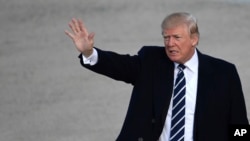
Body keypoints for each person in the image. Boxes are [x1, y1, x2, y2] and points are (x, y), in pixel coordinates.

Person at [65, 12, 249, 141]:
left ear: (194, 39)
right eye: (166, 38)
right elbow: (119, 65)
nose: (170, 44)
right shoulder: (151, 61)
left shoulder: (224, 73)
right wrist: (90, 52)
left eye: (177, 37)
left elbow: (239, 126)